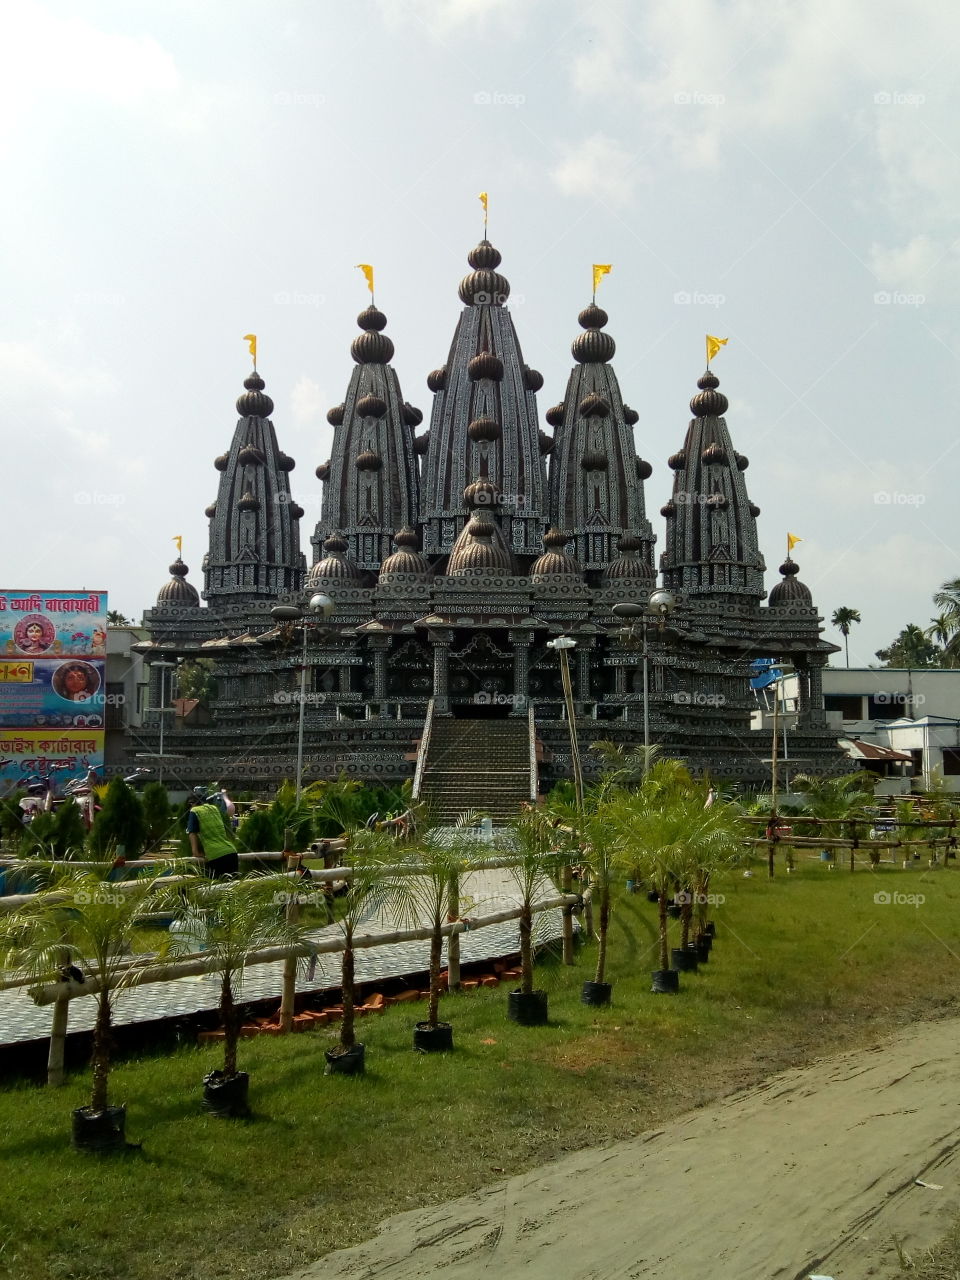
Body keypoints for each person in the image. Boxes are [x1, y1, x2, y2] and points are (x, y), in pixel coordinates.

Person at [185, 793, 239, 877]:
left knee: (217, 887)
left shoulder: (195, 811)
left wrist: (195, 852)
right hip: (231, 852)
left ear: (192, 804)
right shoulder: (214, 809)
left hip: (216, 855)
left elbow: (192, 833)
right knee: (233, 886)